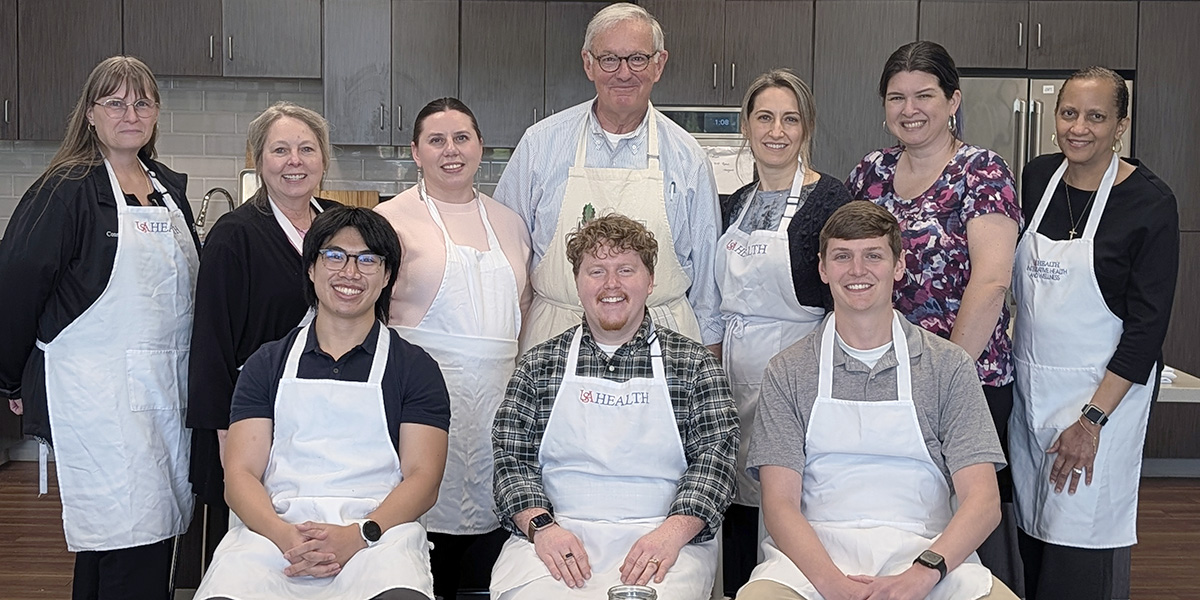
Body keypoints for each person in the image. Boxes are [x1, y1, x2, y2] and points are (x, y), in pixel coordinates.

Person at [739, 201, 1018, 600]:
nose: (857, 271)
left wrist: (922, 574)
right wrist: (834, 586)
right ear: (822, 268)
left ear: (899, 265)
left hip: (927, 553)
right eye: (842, 257)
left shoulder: (948, 366)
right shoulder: (789, 370)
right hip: (813, 562)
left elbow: (984, 501)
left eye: (873, 256)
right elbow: (779, 504)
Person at [0, 56, 197, 599]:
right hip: (100, 394)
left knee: (139, 539)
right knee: (124, 535)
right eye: (115, 102)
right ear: (90, 113)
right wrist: (11, 378)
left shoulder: (166, 188)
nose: (130, 113)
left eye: (142, 102)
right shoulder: (65, 188)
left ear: (156, 113)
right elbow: (16, 282)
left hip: (164, 390)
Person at [193, 207, 451, 600]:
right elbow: (240, 474)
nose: (350, 272)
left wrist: (360, 535)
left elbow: (423, 478)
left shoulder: (415, 369)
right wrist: (285, 536)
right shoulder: (266, 364)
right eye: (334, 255)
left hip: (376, 537)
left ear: (387, 277)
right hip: (273, 534)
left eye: (368, 259)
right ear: (311, 269)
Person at [845, 40, 1022, 588]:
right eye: (896, 97)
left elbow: (992, 281)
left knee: (968, 525)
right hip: (884, 376)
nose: (909, 109)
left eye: (924, 95)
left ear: (953, 101)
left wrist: (944, 377)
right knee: (901, 517)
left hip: (966, 379)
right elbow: (855, 269)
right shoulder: (870, 174)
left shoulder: (981, 171)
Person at [490, 214, 738, 599]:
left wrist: (671, 534)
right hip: (557, 535)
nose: (611, 285)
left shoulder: (692, 365)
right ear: (577, 283)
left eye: (625, 269)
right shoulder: (539, 365)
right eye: (596, 271)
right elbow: (510, 461)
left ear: (650, 281)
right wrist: (542, 528)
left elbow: (716, 462)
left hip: (664, 537)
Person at [1011, 66, 1179, 600]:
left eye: (1096, 116)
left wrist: (1091, 421)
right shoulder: (1038, 177)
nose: (1078, 127)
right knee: (1029, 541)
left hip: (1100, 399)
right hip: (1030, 393)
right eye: (1068, 113)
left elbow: (1146, 330)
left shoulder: (1150, 202)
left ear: (1121, 125)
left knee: (1079, 553)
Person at [493, 2, 723, 354]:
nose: (624, 72)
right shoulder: (540, 145)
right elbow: (505, 259)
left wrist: (708, 365)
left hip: (663, 343)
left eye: (637, 59)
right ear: (588, 63)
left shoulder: (688, 156)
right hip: (555, 339)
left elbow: (708, 282)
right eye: (609, 59)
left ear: (659, 64)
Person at [374, 97, 531, 599]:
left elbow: (522, 309)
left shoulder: (509, 222)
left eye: (461, 138)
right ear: (415, 152)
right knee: (423, 526)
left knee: (490, 536)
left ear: (480, 146)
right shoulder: (389, 220)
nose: (450, 151)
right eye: (436, 141)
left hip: (497, 402)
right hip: (419, 400)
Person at [717, 68, 852, 595]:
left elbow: (848, 289)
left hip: (801, 372)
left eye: (790, 119)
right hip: (732, 368)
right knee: (734, 493)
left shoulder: (830, 200)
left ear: (807, 128)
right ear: (746, 127)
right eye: (765, 118)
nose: (777, 131)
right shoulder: (734, 203)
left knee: (790, 491)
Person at [187, 102, 340, 543]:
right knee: (253, 539)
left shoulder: (339, 225)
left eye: (307, 149)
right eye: (280, 150)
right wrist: (224, 433)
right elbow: (211, 340)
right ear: (257, 160)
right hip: (253, 414)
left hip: (328, 410)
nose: (295, 161)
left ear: (323, 160)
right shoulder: (235, 235)